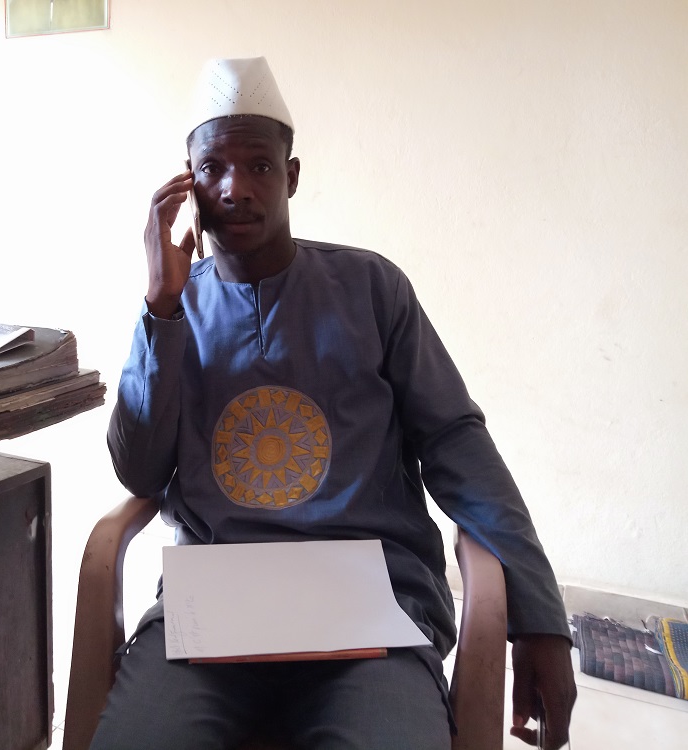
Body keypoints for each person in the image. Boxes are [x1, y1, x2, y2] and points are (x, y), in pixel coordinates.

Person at [94, 56, 576, 749]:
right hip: (216, 611)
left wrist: (538, 616)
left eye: (259, 166)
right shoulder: (176, 307)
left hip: (371, 607)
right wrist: (162, 307)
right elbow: (140, 473)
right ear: (187, 184)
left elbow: (456, 445)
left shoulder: (373, 289)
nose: (235, 187)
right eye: (213, 168)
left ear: (291, 176)